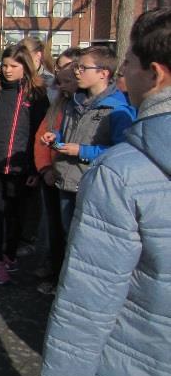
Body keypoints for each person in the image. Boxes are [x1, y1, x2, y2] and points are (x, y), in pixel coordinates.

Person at [40, 8, 171, 376]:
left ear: (155, 75)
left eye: (127, 65)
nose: (122, 75)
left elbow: (86, 310)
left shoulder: (121, 173)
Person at [41, 45, 135, 236]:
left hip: (92, 186)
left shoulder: (117, 110)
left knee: (84, 239)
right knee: (66, 235)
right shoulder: (74, 102)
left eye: (83, 68)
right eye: (77, 67)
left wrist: (82, 151)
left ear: (103, 73)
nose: (77, 72)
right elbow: (67, 135)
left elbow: (122, 153)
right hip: (67, 181)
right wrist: (56, 138)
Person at [0, 45, 49, 285]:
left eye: (13, 66)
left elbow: (40, 134)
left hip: (21, 167)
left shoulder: (36, 95)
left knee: (15, 214)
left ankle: (10, 254)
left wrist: (35, 168)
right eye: (4, 65)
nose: (7, 71)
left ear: (25, 68)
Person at [32, 48, 81, 295]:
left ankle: (63, 277)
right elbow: (43, 138)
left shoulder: (83, 108)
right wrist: (44, 168)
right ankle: (53, 269)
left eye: (68, 80)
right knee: (54, 228)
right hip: (53, 174)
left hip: (76, 179)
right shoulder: (59, 106)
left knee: (69, 233)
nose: (62, 86)